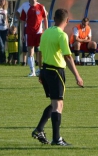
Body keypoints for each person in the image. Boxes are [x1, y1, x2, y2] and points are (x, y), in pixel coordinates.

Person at [31, 8, 84, 146]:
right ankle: (57, 139)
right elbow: (67, 56)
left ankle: (39, 129)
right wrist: (77, 76)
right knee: (58, 105)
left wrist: (41, 71)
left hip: (45, 71)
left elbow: (39, 53)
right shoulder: (62, 35)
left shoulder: (46, 33)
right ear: (67, 20)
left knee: (55, 103)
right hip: (56, 72)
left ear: (54, 19)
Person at [17, 0, 48, 77]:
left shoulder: (41, 7)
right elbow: (23, 21)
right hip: (29, 32)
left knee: (40, 51)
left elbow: (45, 18)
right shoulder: (25, 8)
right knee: (30, 51)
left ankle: (40, 70)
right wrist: (22, 34)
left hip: (39, 32)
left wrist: (47, 30)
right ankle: (32, 71)